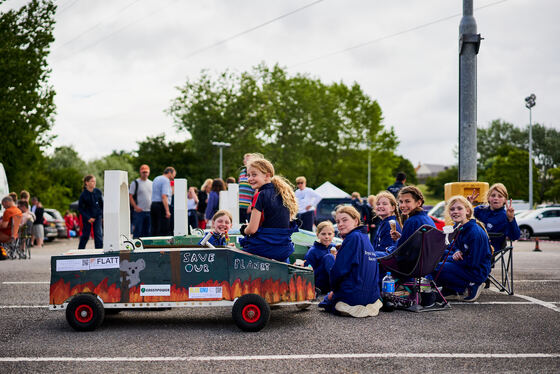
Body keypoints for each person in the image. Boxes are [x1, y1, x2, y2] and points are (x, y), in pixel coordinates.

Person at [318, 205, 382, 318]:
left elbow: (338, 271)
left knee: (326, 301)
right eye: (337, 221)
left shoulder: (352, 238)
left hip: (354, 296)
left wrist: (334, 291)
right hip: (372, 296)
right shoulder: (365, 237)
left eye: (344, 220)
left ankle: (343, 303)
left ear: (356, 221)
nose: (340, 224)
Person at [433, 195, 492, 302]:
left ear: (468, 211)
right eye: (452, 209)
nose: (455, 211)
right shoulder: (458, 227)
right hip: (466, 264)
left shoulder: (474, 232)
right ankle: (453, 289)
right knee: (437, 257)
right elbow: (453, 247)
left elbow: (474, 262)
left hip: (477, 271)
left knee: (437, 267)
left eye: (459, 208)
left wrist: (452, 259)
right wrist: (455, 251)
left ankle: (471, 285)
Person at [239, 158, 298, 262]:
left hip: (264, 248)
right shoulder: (285, 194)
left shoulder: (260, 195)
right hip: (284, 249)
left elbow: (252, 229)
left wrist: (244, 230)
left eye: (254, 175)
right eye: (248, 175)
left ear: (267, 175)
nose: (250, 178)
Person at [468, 183, 520, 252]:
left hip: (492, 249)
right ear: (488, 198)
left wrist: (511, 219)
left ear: (505, 200)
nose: (496, 198)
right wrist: (467, 207)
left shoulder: (505, 215)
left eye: (500, 196)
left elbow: (515, 236)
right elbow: (464, 222)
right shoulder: (479, 210)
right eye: (493, 195)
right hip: (473, 246)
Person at [389, 186, 435, 252]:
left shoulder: (412, 221)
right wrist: (401, 238)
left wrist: (389, 249)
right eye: (401, 202)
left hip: (412, 261)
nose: (403, 205)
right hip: (426, 260)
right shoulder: (427, 218)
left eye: (407, 201)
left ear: (419, 203)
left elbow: (400, 250)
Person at [304, 221, 336, 294]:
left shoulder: (334, 247)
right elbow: (308, 273)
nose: (327, 236)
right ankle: (337, 287)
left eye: (329, 234)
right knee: (329, 257)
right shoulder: (312, 251)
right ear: (318, 235)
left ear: (333, 235)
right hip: (319, 284)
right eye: (323, 234)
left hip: (331, 282)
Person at [372, 191, 402, 257]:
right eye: (378, 204)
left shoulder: (390, 225)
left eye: (384, 204)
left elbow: (387, 252)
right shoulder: (384, 223)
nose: (380, 206)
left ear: (393, 208)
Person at [78, 175, 103, 249]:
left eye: (95, 181)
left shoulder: (98, 192)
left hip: (97, 216)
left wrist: (102, 216)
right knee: (86, 235)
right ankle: (80, 250)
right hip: (87, 217)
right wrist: (88, 218)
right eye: (92, 181)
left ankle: (99, 251)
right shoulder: (83, 195)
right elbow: (80, 209)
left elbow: (102, 205)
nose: (94, 183)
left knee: (98, 234)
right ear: (87, 183)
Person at [150, 166, 176, 236]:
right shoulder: (166, 180)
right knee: (164, 228)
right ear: (170, 173)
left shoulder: (156, 178)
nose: (174, 176)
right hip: (162, 206)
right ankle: (162, 246)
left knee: (155, 227)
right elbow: (164, 196)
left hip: (154, 204)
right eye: (174, 174)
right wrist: (167, 210)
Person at [129, 164, 153, 238]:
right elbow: (130, 196)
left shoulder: (151, 183)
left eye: (146, 172)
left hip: (149, 211)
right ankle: (135, 248)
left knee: (148, 232)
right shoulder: (135, 183)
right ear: (140, 172)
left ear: (149, 172)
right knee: (138, 231)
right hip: (139, 212)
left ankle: (146, 248)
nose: (145, 174)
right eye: (143, 172)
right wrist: (136, 207)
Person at [239, 153, 263, 224]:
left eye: (249, 160)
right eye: (246, 160)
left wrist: (251, 204)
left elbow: (257, 189)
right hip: (240, 204)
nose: (247, 161)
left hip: (249, 204)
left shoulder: (255, 173)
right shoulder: (241, 172)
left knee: (248, 223)